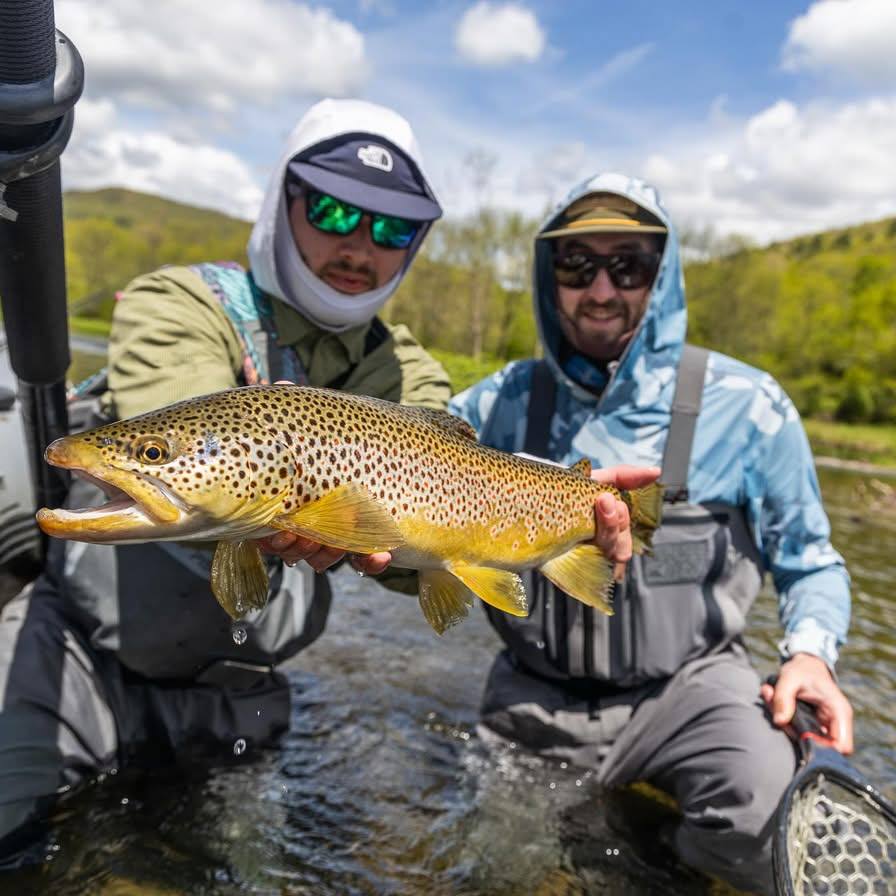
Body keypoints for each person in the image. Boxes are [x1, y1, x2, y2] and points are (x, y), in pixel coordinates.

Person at [0, 101, 638, 865]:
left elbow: (424, 547)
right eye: (333, 209)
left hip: (248, 696)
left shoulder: (407, 373)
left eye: (393, 229)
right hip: (77, 658)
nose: (360, 245)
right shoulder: (184, 304)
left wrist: (554, 507)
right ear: (284, 199)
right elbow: (194, 477)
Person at [445, 172, 854, 894]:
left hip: (692, 695)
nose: (601, 290)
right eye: (576, 266)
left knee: (765, 820)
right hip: (533, 697)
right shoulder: (498, 403)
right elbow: (397, 449)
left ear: (660, 276)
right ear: (550, 276)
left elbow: (810, 560)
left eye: (627, 265)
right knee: (493, 867)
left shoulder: (750, 408)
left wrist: (811, 656)